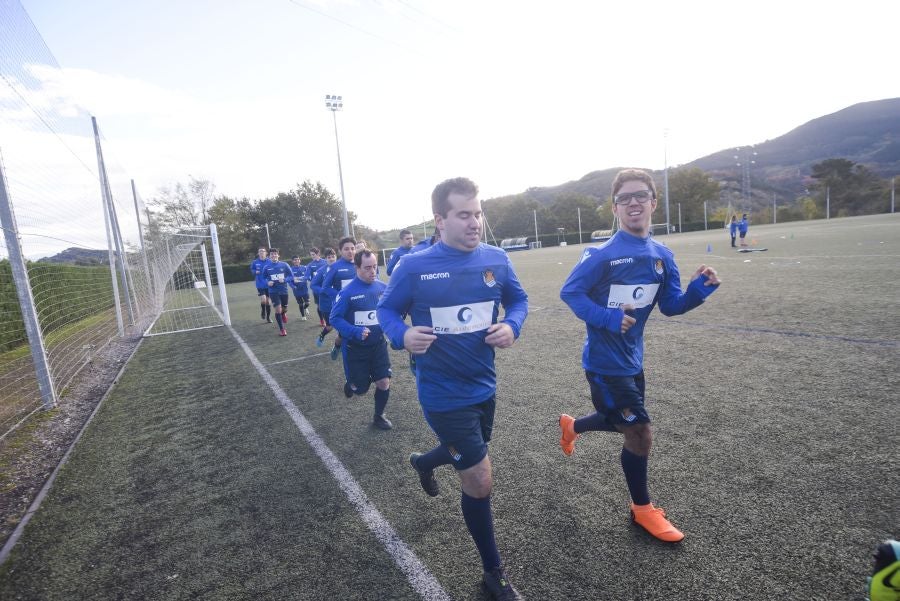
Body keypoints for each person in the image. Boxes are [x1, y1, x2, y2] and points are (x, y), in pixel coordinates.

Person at [377, 177, 528, 600]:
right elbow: (386, 310)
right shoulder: (414, 267)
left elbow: (519, 301)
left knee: (468, 451)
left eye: (478, 213)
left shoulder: (496, 259)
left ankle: (424, 462)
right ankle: (493, 573)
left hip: (484, 386)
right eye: (464, 214)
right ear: (440, 220)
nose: (474, 222)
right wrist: (402, 336)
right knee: (479, 478)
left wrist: (512, 325)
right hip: (442, 395)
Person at [558, 168, 721, 544]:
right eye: (624, 198)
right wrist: (608, 318)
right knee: (640, 432)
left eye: (640, 196)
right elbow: (571, 292)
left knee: (621, 421)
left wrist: (699, 290)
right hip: (604, 364)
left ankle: (572, 426)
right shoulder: (601, 255)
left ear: (653, 202)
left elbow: (671, 305)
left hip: (633, 360)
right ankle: (642, 510)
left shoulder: (662, 256)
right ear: (615, 208)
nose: (633, 203)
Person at [330, 249, 393, 430]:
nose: (373, 271)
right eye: (367, 268)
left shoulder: (383, 288)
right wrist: (355, 331)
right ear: (357, 268)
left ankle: (379, 416)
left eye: (374, 266)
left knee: (384, 382)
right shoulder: (347, 292)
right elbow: (335, 318)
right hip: (355, 349)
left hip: (378, 345)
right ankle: (352, 385)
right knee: (361, 389)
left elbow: (390, 311)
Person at [321, 237, 357, 361]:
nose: (350, 251)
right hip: (343, 307)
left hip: (359, 305)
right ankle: (337, 347)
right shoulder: (335, 267)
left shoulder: (360, 264)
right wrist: (340, 295)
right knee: (344, 334)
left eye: (352, 248)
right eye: (346, 249)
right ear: (340, 251)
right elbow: (325, 287)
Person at [262, 248, 294, 336]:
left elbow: (291, 276)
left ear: (278, 255)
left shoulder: (284, 265)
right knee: (278, 309)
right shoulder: (266, 267)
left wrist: (284, 280)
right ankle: (282, 329)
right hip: (273, 291)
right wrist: (268, 282)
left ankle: (283, 314)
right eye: (272, 254)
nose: (274, 255)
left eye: (275, 254)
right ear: (269, 256)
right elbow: (263, 278)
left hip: (283, 290)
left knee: (284, 309)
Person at [311, 248, 337, 346]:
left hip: (341, 302)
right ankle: (322, 335)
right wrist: (323, 291)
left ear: (336, 257)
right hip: (326, 304)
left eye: (333, 256)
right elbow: (313, 285)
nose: (331, 259)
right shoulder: (321, 270)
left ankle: (339, 346)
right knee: (330, 327)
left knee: (344, 325)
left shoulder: (342, 268)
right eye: (329, 257)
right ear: (325, 259)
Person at [306, 247, 328, 326]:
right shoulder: (310, 265)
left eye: (313, 254)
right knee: (320, 305)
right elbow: (307, 276)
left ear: (318, 254)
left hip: (327, 287)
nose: (312, 256)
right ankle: (322, 320)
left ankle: (331, 318)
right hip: (316, 289)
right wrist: (308, 279)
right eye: (311, 255)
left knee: (329, 304)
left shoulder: (325, 262)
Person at [250, 247, 272, 322]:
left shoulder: (269, 261)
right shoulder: (255, 262)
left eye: (263, 251)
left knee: (268, 302)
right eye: (260, 251)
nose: (262, 252)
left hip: (269, 284)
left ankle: (268, 317)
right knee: (263, 299)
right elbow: (252, 270)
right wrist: (255, 272)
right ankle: (263, 310)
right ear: (258, 253)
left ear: (266, 253)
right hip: (260, 284)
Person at [289, 255, 310, 321]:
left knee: (307, 303)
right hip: (296, 290)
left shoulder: (304, 268)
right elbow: (289, 280)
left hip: (304, 289)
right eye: (295, 260)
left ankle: (305, 308)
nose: (296, 261)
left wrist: (309, 279)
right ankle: (303, 316)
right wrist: (293, 286)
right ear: (292, 261)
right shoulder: (290, 269)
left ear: (300, 260)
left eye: (298, 259)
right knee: (300, 304)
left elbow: (308, 276)